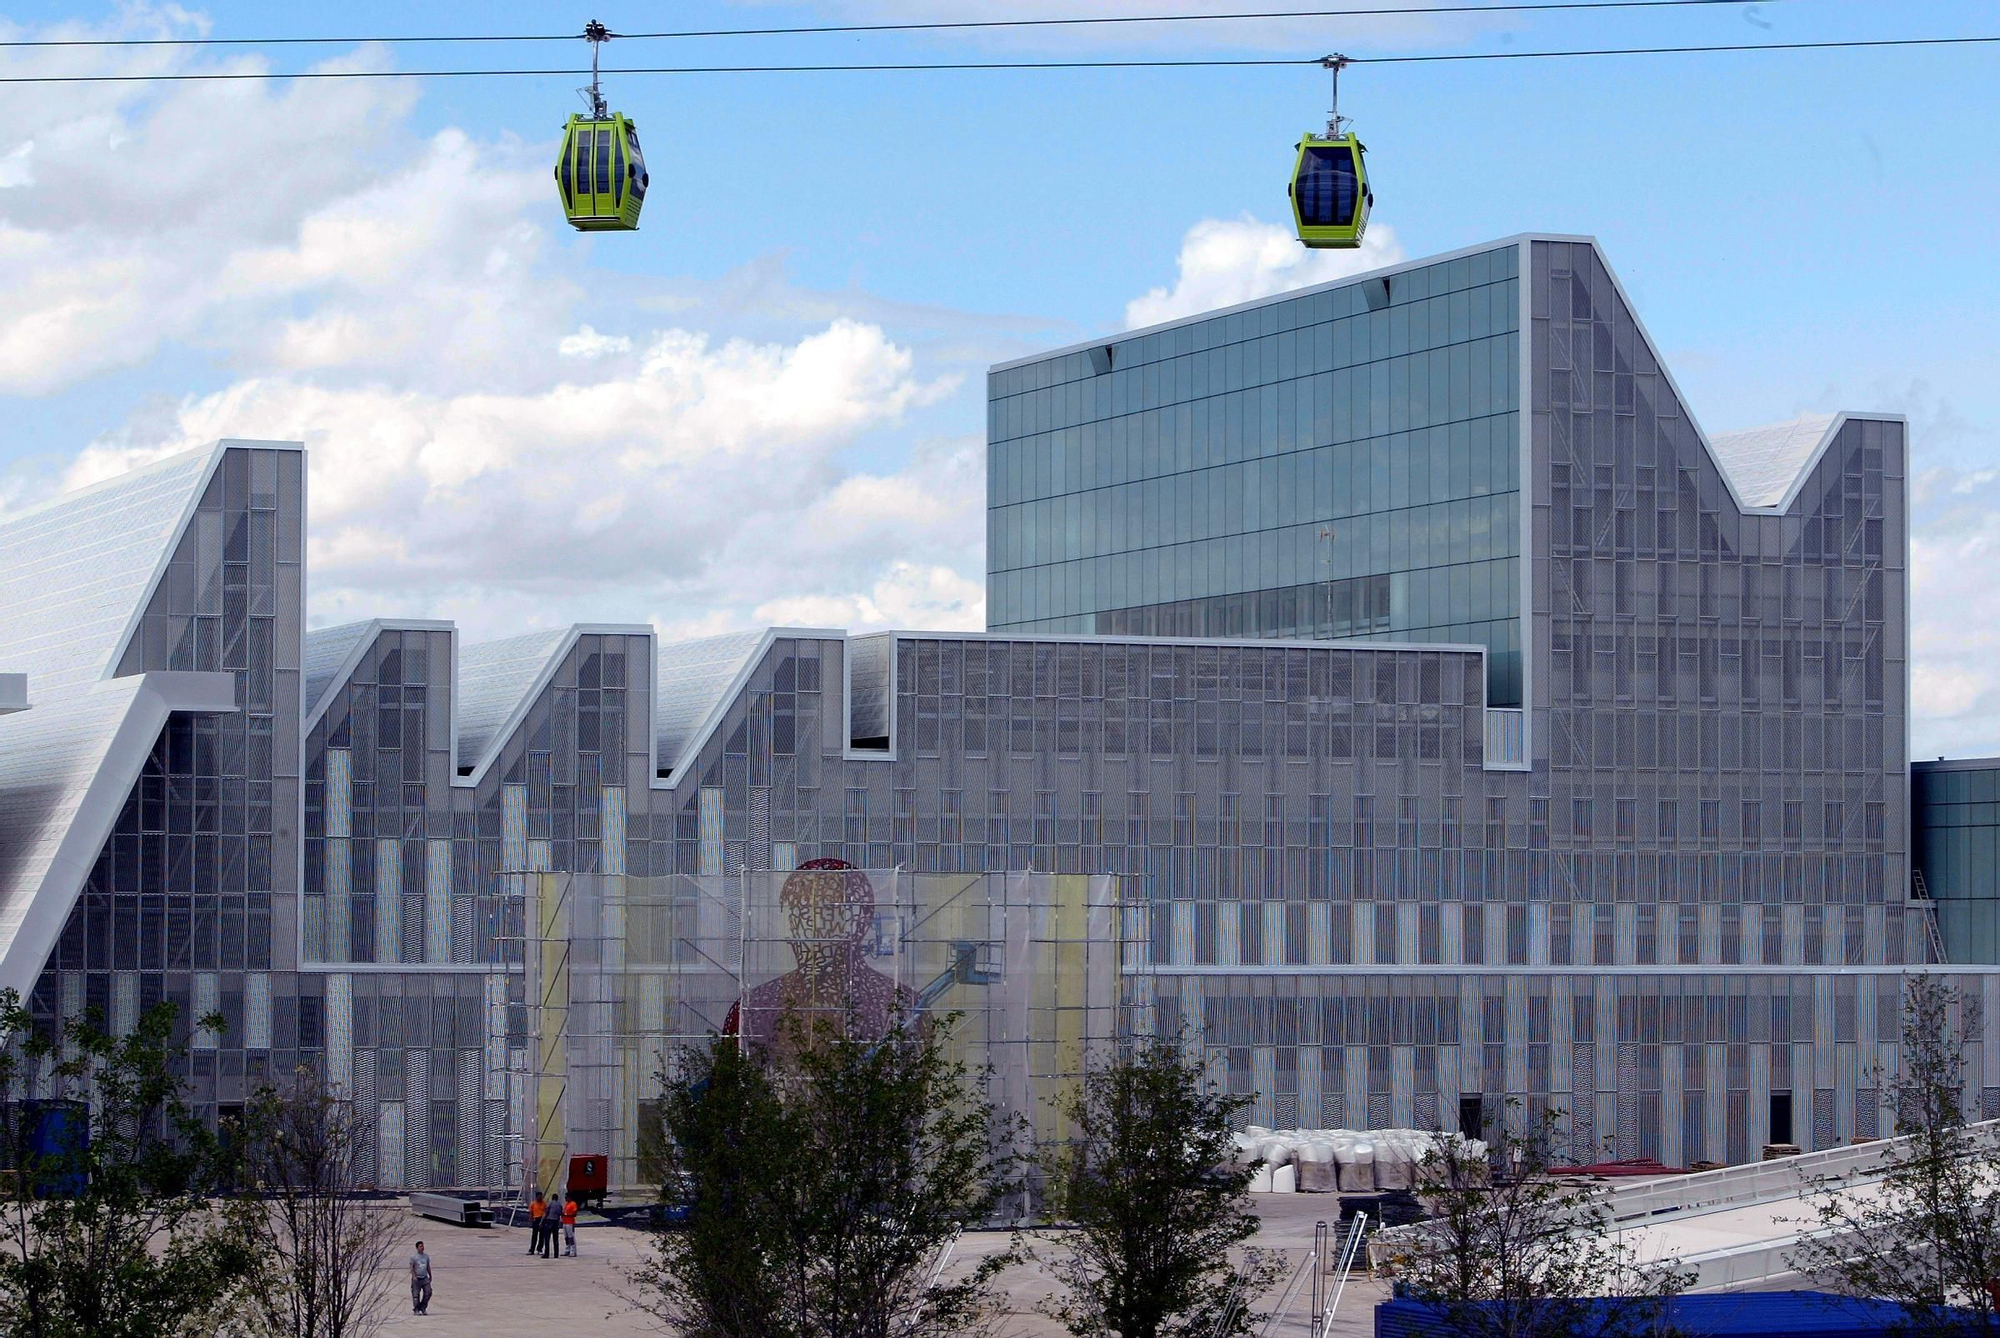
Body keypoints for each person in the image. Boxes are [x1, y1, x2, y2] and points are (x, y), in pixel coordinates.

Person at [409, 1240, 433, 1315]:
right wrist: (414, 1276)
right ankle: (416, 1309)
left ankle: (423, 1307)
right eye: (420, 1246)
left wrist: (430, 1275)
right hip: (417, 1278)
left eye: (423, 1246)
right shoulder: (413, 1257)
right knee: (416, 1295)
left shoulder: (426, 1256)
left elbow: (428, 1266)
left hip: (425, 1277)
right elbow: (411, 1268)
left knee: (428, 1292)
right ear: (417, 1248)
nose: (422, 1247)